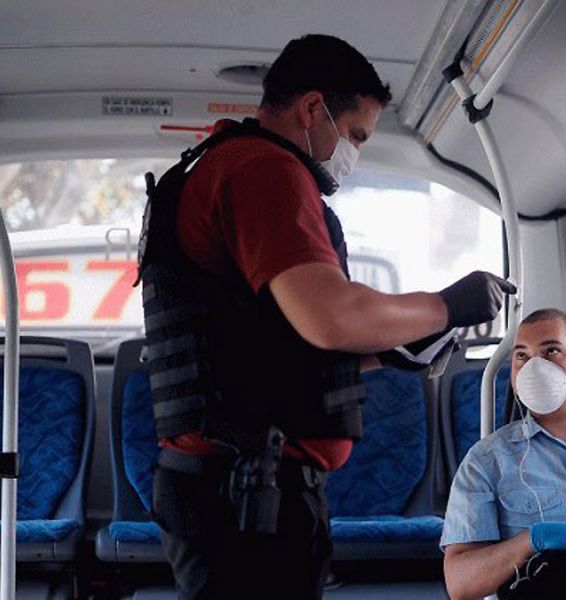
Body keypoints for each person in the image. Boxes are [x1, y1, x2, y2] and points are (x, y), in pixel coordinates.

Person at [138, 34, 514, 599]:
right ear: (313, 109)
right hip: (246, 496)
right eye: (357, 134)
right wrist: (448, 304)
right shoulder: (264, 169)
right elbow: (331, 318)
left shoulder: (222, 166)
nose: (354, 153)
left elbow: (267, 350)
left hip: (235, 485)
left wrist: (391, 347)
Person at [441, 308, 566, 600]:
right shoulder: (487, 460)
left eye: (551, 351)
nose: (534, 367)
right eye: (521, 356)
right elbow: (460, 583)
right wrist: (531, 541)